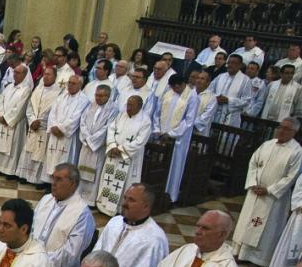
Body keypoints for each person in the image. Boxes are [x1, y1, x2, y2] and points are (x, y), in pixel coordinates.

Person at [232, 118, 302, 267]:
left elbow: (292, 177)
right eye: (280, 127)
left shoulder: (297, 151)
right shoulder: (267, 144)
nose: (281, 131)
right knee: (247, 222)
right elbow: (253, 163)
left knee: (266, 228)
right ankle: (240, 252)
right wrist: (253, 183)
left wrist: (269, 190)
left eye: (286, 129)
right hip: (255, 192)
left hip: (273, 198)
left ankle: (257, 259)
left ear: (294, 132)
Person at [32, 163, 95, 267]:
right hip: (31, 265)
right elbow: (31, 230)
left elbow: (70, 254)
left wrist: (39, 264)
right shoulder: (46, 200)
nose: (53, 183)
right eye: (53, 178)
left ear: (72, 184)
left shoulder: (82, 214)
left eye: (59, 179)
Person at [95, 95, 151, 216]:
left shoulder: (145, 121)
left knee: (122, 184)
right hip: (113, 155)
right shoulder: (121, 115)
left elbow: (140, 141)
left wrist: (121, 149)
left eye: (131, 105)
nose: (128, 108)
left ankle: (120, 208)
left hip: (128, 158)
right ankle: (104, 205)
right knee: (108, 180)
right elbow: (111, 129)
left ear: (139, 107)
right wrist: (112, 144)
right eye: (127, 104)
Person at [154, 74, 200, 202]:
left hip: (178, 139)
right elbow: (157, 113)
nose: (175, 90)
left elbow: (189, 121)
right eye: (173, 87)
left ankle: (169, 195)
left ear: (183, 84)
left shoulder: (192, 97)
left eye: (177, 87)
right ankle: (156, 191)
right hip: (161, 135)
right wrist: (157, 130)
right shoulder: (168, 93)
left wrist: (171, 134)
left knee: (174, 166)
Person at [15, 67, 61, 184]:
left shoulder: (58, 93)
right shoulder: (37, 89)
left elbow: (55, 112)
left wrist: (40, 122)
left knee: (40, 154)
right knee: (29, 150)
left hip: (44, 129)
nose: (46, 76)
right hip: (33, 127)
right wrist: (32, 121)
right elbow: (30, 108)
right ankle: (25, 175)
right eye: (45, 74)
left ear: (55, 77)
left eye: (49, 74)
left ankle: (37, 179)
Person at [42, 75, 90, 182]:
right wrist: (53, 126)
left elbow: (76, 117)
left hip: (67, 136)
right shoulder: (62, 96)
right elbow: (53, 113)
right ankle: (49, 181)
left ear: (80, 85)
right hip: (55, 133)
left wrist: (61, 128)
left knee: (64, 159)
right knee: (52, 157)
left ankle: (62, 183)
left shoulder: (83, 100)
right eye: (69, 83)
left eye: (73, 83)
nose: (70, 85)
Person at [76, 84, 117, 204]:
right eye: (96, 95)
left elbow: (108, 128)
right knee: (82, 169)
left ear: (108, 96)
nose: (97, 98)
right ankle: (79, 196)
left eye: (101, 96)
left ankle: (90, 199)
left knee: (95, 172)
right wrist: (87, 137)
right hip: (86, 145)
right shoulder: (90, 105)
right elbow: (82, 122)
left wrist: (92, 140)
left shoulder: (113, 109)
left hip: (98, 147)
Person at [0, 64, 33, 177]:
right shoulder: (9, 87)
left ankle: (10, 171)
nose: (15, 75)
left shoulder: (26, 90)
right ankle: (0, 167)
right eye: (14, 72)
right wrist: (0, 115)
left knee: (13, 146)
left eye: (18, 73)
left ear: (24, 75)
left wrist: (7, 118)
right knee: (1, 144)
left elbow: (21, 108)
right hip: (3, 121)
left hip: (15, 123)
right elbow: (1, 101)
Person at [210, 54, 252, 127]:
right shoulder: (220, 76)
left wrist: (228, 100)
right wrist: (216, 98)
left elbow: (246, 101)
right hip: (215, 114)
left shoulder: (245, 80)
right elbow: (209, 91)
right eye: (229, 62)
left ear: (240, 65)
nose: (230, 65)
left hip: (231, 117)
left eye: (233, 63)